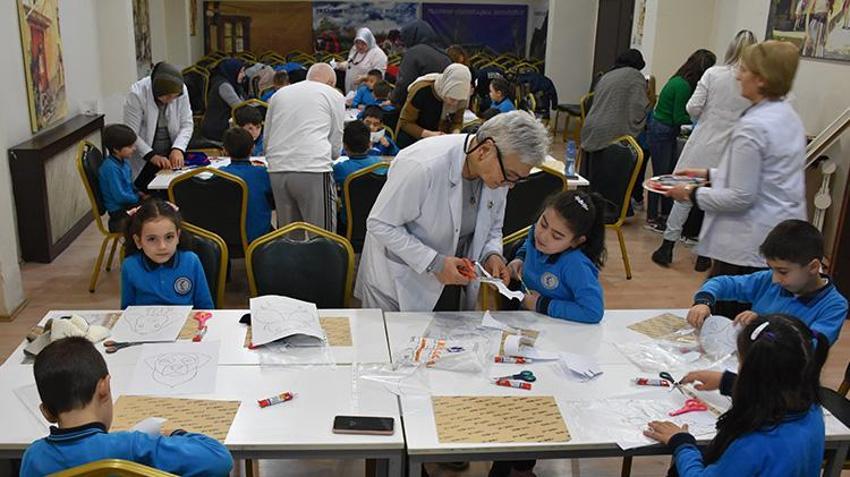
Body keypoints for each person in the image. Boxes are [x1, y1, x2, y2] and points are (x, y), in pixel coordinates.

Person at [355, 111, 550, 312]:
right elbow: (380, 223)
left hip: (450, 280)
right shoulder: (423, 165)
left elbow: (493, 227)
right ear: (484, 150)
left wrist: (492, 254)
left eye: (518, 179)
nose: (510, 186)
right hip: (398, 279)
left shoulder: (498, 173)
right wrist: (434, 263)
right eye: (510, 176)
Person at [666, 41, 807, 318]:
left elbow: (741, 196)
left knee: (726, 320)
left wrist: (690, 194)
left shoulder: (754, 127)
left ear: (762, 80)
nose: (738, 75)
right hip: (776, 232)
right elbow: (763, 175)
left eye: (744, 70)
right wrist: (708, 175)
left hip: (750, 241)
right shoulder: (786, 115)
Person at [644, 314, 828, 476]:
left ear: (751, 371)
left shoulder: (752, 444)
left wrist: (682, 443)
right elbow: (773, 388)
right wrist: (728, 382)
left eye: (740, 363)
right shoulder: (812, 410)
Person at [20, 337, 232, 477]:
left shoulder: (34, 457)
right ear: (104, 387)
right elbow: (219, 460)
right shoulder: (131, 446)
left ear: (46, 412)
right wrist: (175, 432)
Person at [652, 31, 758, 269]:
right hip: (732, 149)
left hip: (704, 142)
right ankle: (703, 254)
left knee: (684, 197)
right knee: (717, 201)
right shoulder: (756, 82)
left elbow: (693, 107)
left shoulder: (713, 74)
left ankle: (667, 245)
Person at [686, 220, 847, 345]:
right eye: (772, 269)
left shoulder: (834, 306)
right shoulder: (768, 280)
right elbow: (721, 283)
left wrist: (764, 325)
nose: (775, 279)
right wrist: (704, 302)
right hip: (750, 363)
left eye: (783, 272)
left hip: (790, 381)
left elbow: (810, 347)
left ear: (813, 267)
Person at [264, 63, 345, 232]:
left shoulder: (280, 94)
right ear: (331, 83)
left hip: (278, 168)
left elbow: (267, 137)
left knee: (289, 234)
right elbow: (336, 146)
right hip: (313, 168)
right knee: (322, 235)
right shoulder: (333, 95)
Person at [507, 190, 606, 324]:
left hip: (560, 332)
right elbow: (527, 245)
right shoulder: (535, 235)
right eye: (543, 224)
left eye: (556, 236)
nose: (543, 236)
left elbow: (593, 311)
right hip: (527, 321)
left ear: (576, 242)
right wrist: (520, 259)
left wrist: (541, 305)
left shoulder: (575, 265)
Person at [646, 49, 716, 231]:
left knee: (663, 172)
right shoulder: (684, 86)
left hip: (658, 128)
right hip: (664, 130)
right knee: (661, 176)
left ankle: (659, 215)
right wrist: (700, 123)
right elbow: (679, 116)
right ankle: (654, 217)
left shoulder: (677, 79)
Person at [121, 198, 214, 310]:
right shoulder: (130, 266)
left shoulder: (191, 261)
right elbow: (126, 311)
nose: (162, 246)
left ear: (178, 236)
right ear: (138, 241)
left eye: (169, 237)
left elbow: (206, 307)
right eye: (152, 239)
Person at [123, 62, 194, 191]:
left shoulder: (181, 90)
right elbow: (131, 133)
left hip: (172, 155)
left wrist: (178, 148)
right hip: (145, 159)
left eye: (174, 97)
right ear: (156, 92)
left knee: (181, 190)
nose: (171, 100)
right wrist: (152, 156)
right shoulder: (137, 94)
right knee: (154, 194)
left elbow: (187, 124)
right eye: (167, 97)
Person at [580, 49, 649, 153]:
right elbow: (638, 109)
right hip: (610, 136)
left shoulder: (607, 75)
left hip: (590, 128)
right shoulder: (635, 76)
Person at [396, 63, 472, 149]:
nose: (454, 104)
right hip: (412, 142)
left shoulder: (462, 96)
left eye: (459, 101)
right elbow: (405, 122)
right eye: (452, 99)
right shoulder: (422, 90)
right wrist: (429, 134)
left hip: (439, 144)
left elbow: (457, 122)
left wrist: (455, 134)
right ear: (446, 88)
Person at [221, 127, 274, 243]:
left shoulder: (219, 174)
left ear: (225, 150)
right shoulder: (263, 173)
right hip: (259, 235)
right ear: (253, 148)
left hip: (225, 236)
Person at [390, 20, 451, 106]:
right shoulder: (444, 54)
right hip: (442, 105)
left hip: (417, 107)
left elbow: (404, 83)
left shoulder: (413, 53)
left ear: (410, 36)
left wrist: (392, 99)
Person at [98, 124, 146, 232]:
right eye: (129, 147)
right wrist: (137, 198)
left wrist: (138, 193)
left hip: (128, 204)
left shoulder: (124, 162)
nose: (134, 149)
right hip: (119, 212)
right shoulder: (110, 168)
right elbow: (120, 196)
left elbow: (129, 184)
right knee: (153, 213)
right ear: (116, 149)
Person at [201, 58, 246, 142]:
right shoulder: (224, 86)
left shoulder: (230, 83)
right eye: (241, 72)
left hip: (220, 124)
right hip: (217, 127)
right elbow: (239, 106)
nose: (244, 75)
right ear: (232, 71)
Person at [334, 120, 387, 191]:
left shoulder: (339, 169)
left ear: (345, 146)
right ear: (369, 144)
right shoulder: (381, 165)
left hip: (351, 202)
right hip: (378, 202)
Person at [334, 27, 387, 94]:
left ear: (369, 41)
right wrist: (341, 65)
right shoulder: (355, 49)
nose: (359, 46)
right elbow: (351, 63)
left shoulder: (378, 54)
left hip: (367, 93)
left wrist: (364, 77)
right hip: (350, 90)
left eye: (363, 43)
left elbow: (379, 76)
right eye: (357, 43)